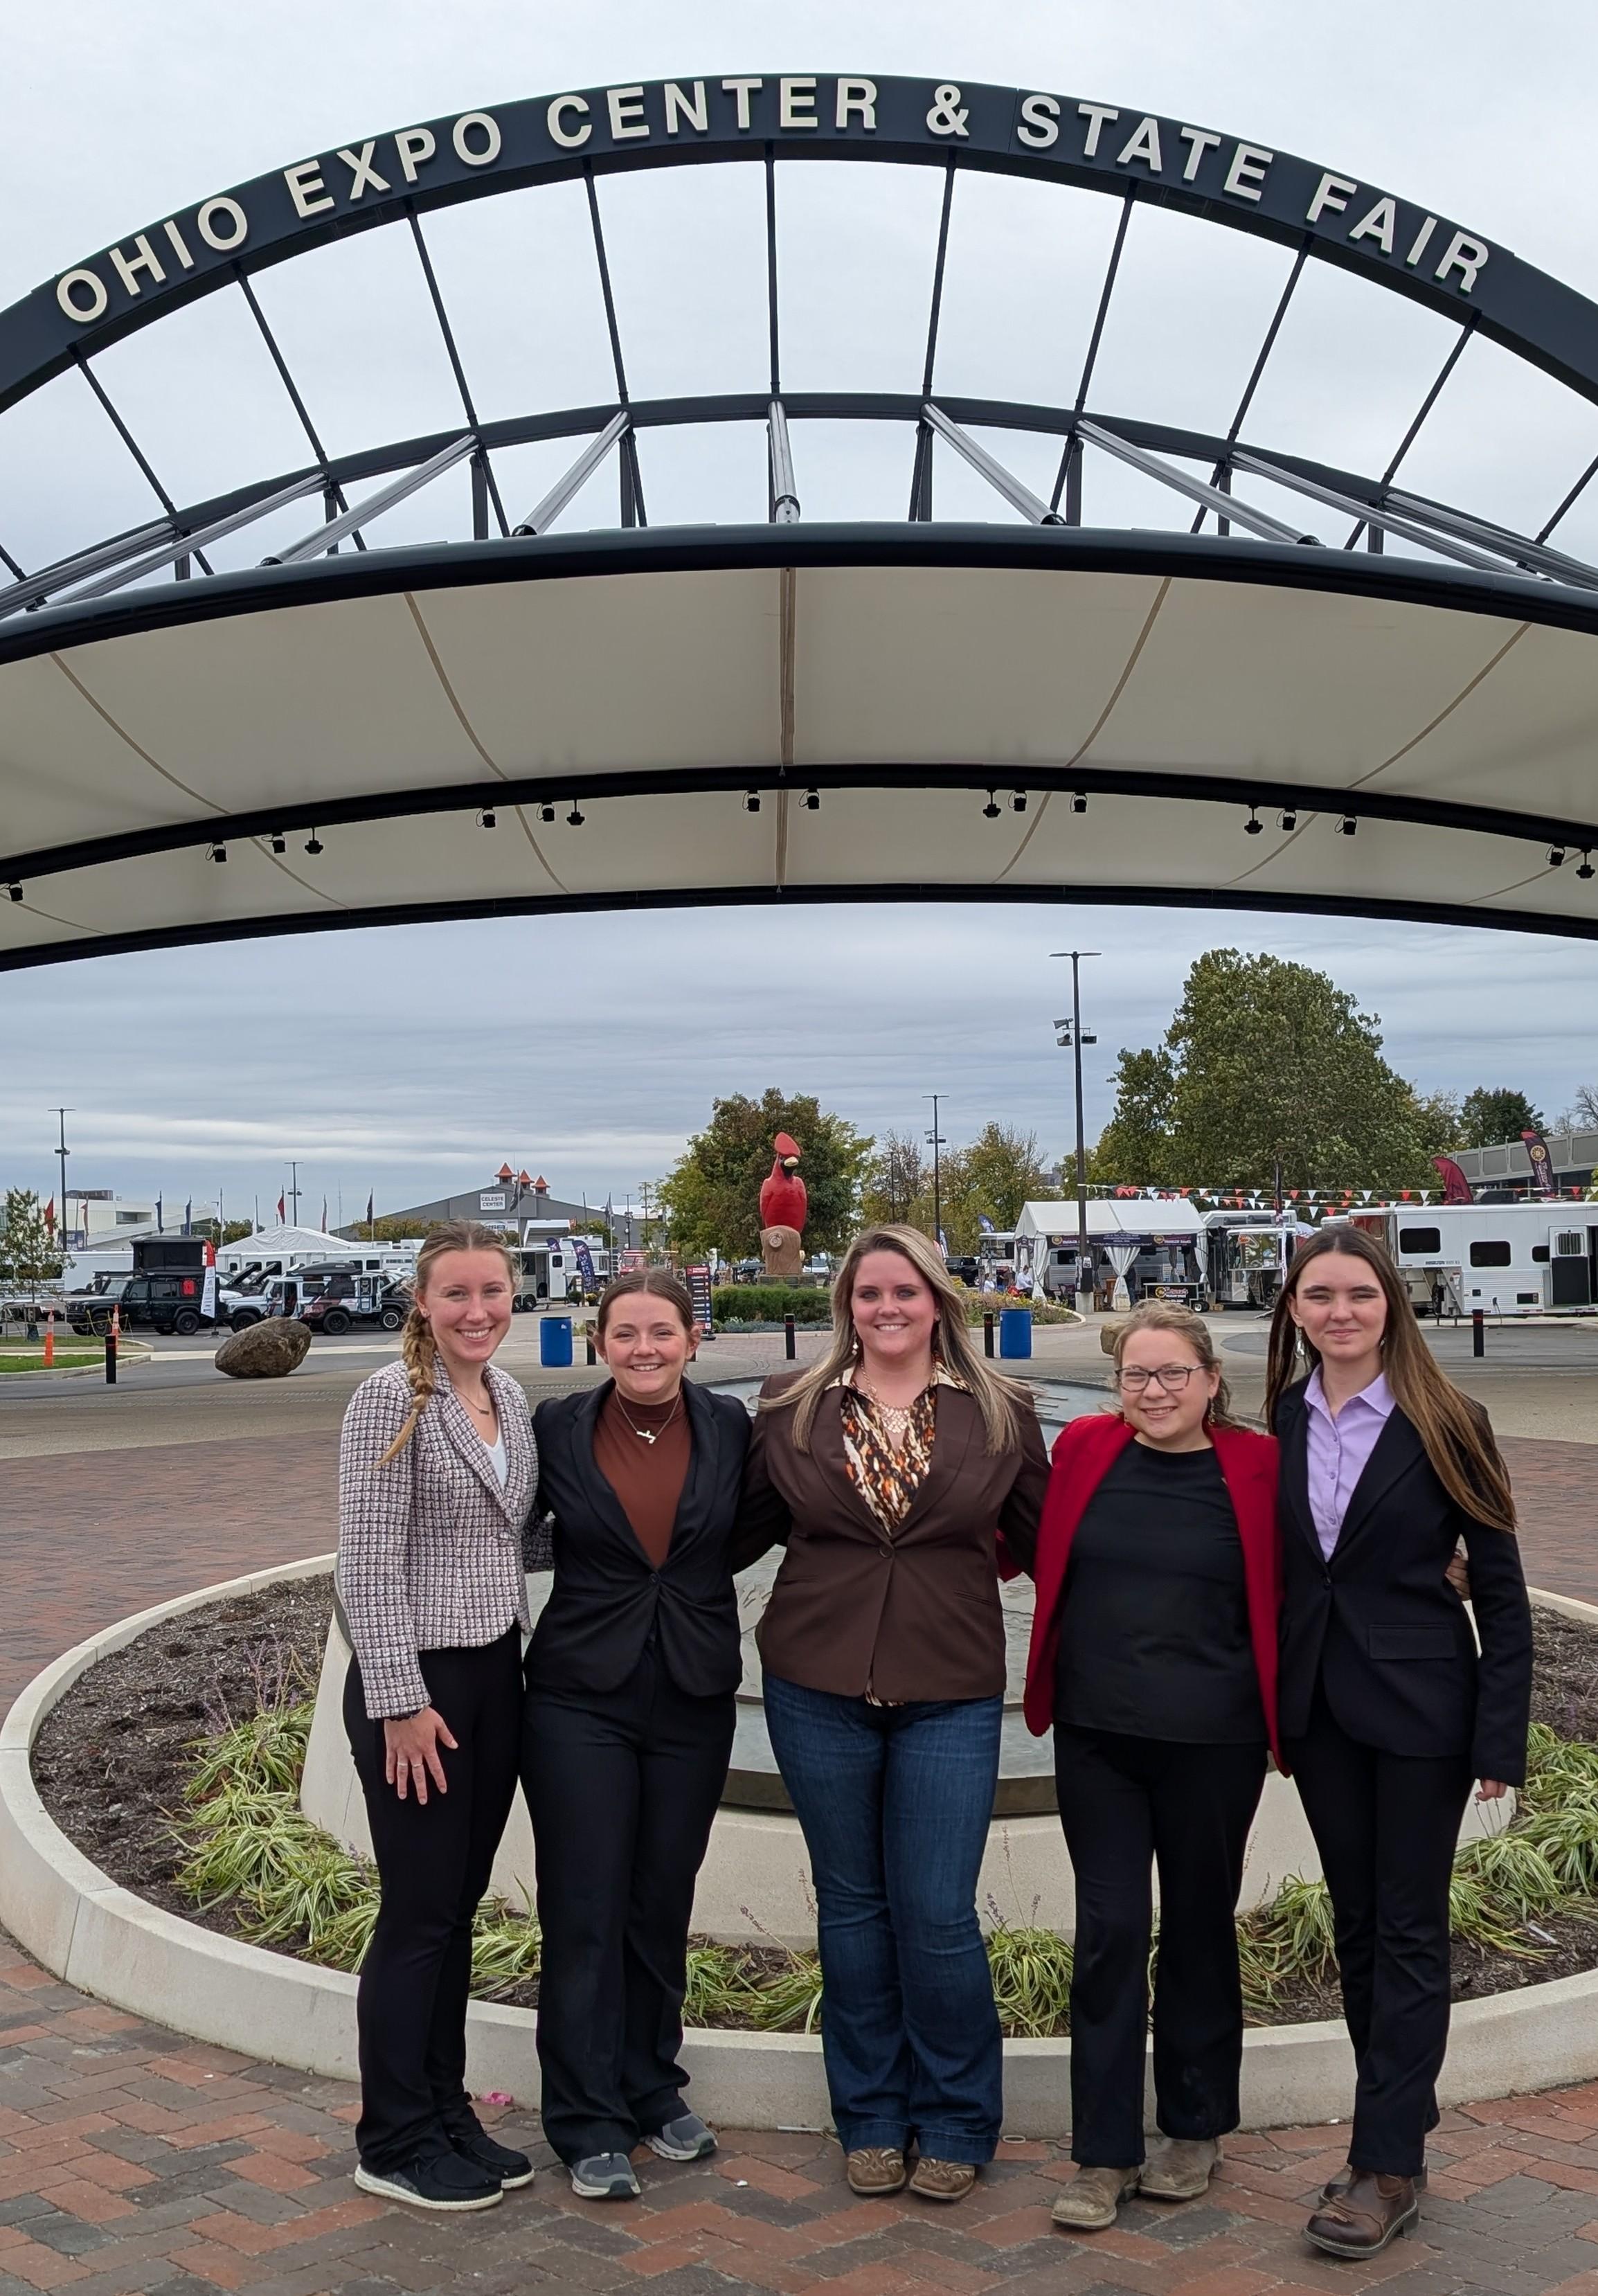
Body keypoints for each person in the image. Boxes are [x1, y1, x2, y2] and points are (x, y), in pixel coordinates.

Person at [737, 1223, 1049, 2204]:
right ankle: (869, 2114)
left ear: (939, 1302)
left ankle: (957, 2118)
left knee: (938, 1914)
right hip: (814, 1680)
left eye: (905, 1293)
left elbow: (1057, 1544)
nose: (887, 1310)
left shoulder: (1003, 1410)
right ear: (847, 1305)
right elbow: (730, 1529)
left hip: (950, 1688)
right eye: (869, 1294)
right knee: (855, 1908)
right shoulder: (790, 1405)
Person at [1267, 1226, 1532, 2260]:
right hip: (1324, 1717)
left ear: (1392, 1307)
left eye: (1360, 1296)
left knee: (1412, 1932)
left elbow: (1503, 1600)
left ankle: (1383, 2168)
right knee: (1359, 1930)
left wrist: (1498, 1741)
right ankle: (1395, 2141)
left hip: (1425, 1716)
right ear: (1295, 1310)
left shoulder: (1448, 1421)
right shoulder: (1279, 1421)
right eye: (1320, 1295)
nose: (1340, 1312)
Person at [1015, 1302, 1282, 2232]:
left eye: (1174, 1375)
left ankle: (1196, 2126)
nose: (1155, 1391)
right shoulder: (1085, 1448)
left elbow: (1328, 1557)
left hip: (1215, 1742)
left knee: (1202, 1929)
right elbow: (1014, 1535)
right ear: (1115, 1381)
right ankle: (1102, 2154)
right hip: (1100, 1738)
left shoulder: (1258, 1465)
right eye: (1138, 1375)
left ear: (1213, 1381)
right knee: (1112, 1933)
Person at [522, 1271, 751, 2201]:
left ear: (692, 1340)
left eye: (662, 1332)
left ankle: (653, 2086)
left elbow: (757, 1528)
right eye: (626, 1333)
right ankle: (585, 2117)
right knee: (585, 1908)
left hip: (693, 1695)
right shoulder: (557, 1429)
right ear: (599, 1341)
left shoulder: (733, 1428)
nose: (644, 1348)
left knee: (660, 1901)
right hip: (581, 1698)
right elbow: (503, 1528)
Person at [336, 1221, 542, 2214]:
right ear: (422, 1301)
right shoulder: (391, 1398)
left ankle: (445, 2110)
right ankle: (392, 2136)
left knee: (455, 1915)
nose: (477, 1312)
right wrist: (400, 1704)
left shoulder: (508, 1396)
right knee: (418, 1916)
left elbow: (519, 1533)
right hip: (419, 1692)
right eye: (456, 1295)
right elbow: (366, 1566)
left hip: (496, 1675)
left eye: (492, 1293)